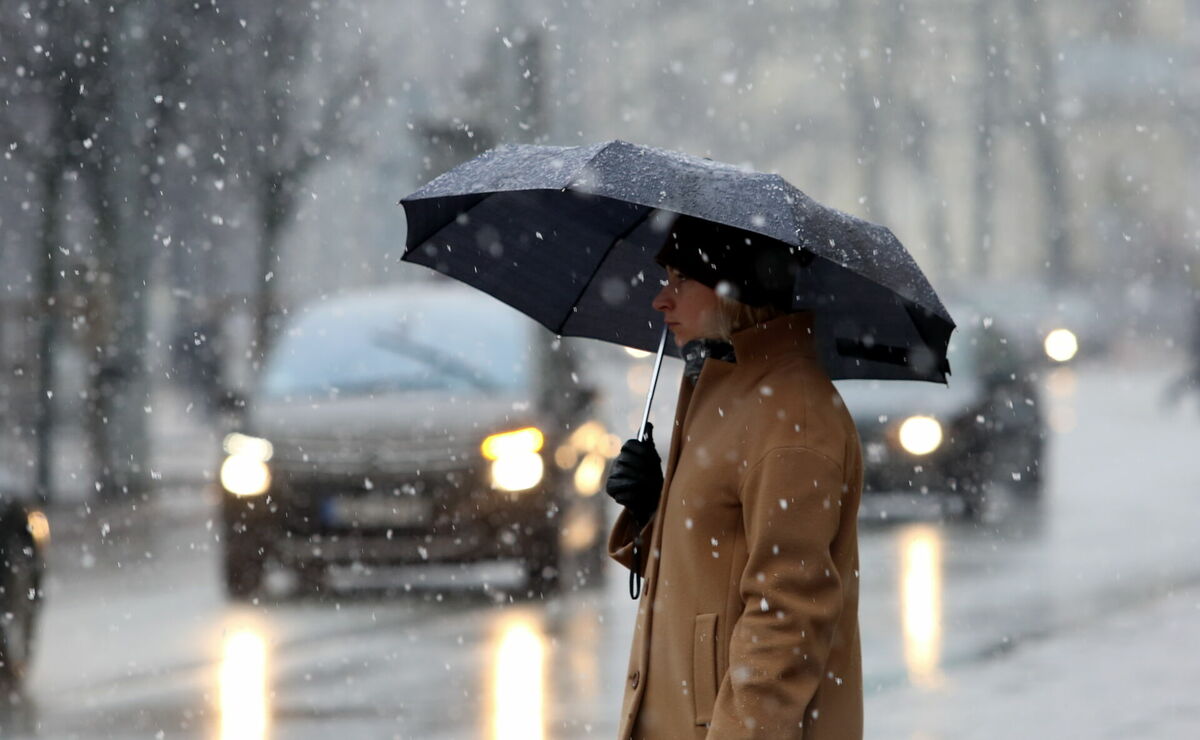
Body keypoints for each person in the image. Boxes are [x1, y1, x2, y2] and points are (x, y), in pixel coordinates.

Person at [605, 215, 864, 739]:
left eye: (682, 280)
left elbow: (787, 617)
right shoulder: (727, 389)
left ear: (736, 290)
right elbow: (720, 557)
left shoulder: (793, 414)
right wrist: (655, 508)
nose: (662, 300)